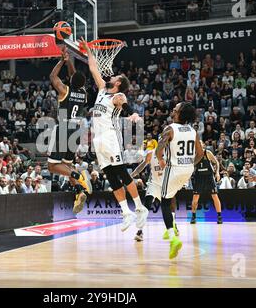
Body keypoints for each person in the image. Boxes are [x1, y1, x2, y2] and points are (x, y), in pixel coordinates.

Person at [81, 38, 149, 232]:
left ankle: (139, 207)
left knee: (121, 172)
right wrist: (88, 50)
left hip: (111, 136)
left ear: (118, 82)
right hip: (98, 139)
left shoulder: (118, 96)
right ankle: (126, 213)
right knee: (110, 177)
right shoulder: (103, 89)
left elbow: (125, 106)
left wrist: (133, 113)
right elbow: (94, 68)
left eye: (115, 76)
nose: (111, 76)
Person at [156, 102, 204, 259]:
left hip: (174, 169)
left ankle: (173, 237)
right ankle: (173, 226)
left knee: (163, 202)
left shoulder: (169, 129)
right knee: (171, 195)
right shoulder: (193, 131)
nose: (173, 111)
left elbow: (158, 150)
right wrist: (190, 164)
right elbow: (200, 153)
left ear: (180, 114)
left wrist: (160, 160)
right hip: (188, 170)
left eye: (175, 110)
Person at [47, 48, 92, 214]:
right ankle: (80, 190)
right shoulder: (84, 93)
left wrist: (61, 61)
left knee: (52, 167)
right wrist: (68, 62)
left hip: (64, 129)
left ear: (72, 81)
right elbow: (75, 77)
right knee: (66, 165)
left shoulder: (65, 90)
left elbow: (53, 77)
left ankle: (78, 175)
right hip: (76, 131)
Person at [130, 147, 179, 242]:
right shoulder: (151, 153)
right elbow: (143, 165)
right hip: (154, 184)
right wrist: (131, 175)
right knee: (146, 205)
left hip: (166, 183)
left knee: (171, 206)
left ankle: (173, 225)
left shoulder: (170, 152)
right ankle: (140, 231)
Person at [191, 142, 223, 224]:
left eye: (201, 145)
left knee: (215, 196)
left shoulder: (207, 153)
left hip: (208, 176)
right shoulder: (194, 155)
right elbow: (191, 167)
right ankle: (193, 216)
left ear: (203, 146)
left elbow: (216, 162)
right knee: (195, 197)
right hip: (198, 177)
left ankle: (219, 216)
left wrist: (217, 173)